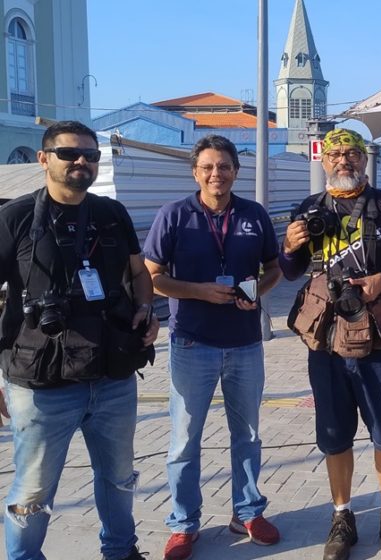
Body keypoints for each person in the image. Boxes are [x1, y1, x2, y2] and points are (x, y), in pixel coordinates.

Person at [0, 120, 158, 560]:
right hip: (40, 383)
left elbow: (139, 272)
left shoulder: (111, 214)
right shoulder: (13, 218)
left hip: (112, 374)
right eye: (69, 154)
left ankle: (121, 551)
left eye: (91, 154)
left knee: (119, 476)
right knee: (33, 489)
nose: (81, 162)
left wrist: (145, 308)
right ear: (44, 159)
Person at [280, 128, 381, 560]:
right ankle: (342, 515)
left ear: (365, 159)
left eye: (352, 154)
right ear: (323, 160)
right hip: (325, 341)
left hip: (379, 336)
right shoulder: (309, 208)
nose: (344, 161)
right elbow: (289, 272)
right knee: (334, 434)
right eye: (336, 154)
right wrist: (288, 247)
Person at [144, 135, 283, 560]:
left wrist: (257, 290)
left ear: (235, 171)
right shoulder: (174, 216)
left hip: (244, 343)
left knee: (249, 434)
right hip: (191, 341)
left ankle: (247, 512)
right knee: (185, 439)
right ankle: (184, 523)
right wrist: (199, 292)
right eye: (207, 166)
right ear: (195, 172)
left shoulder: (254, 215)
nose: (215, 174)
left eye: (223, 166)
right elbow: (152, 276)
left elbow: (274, 269)